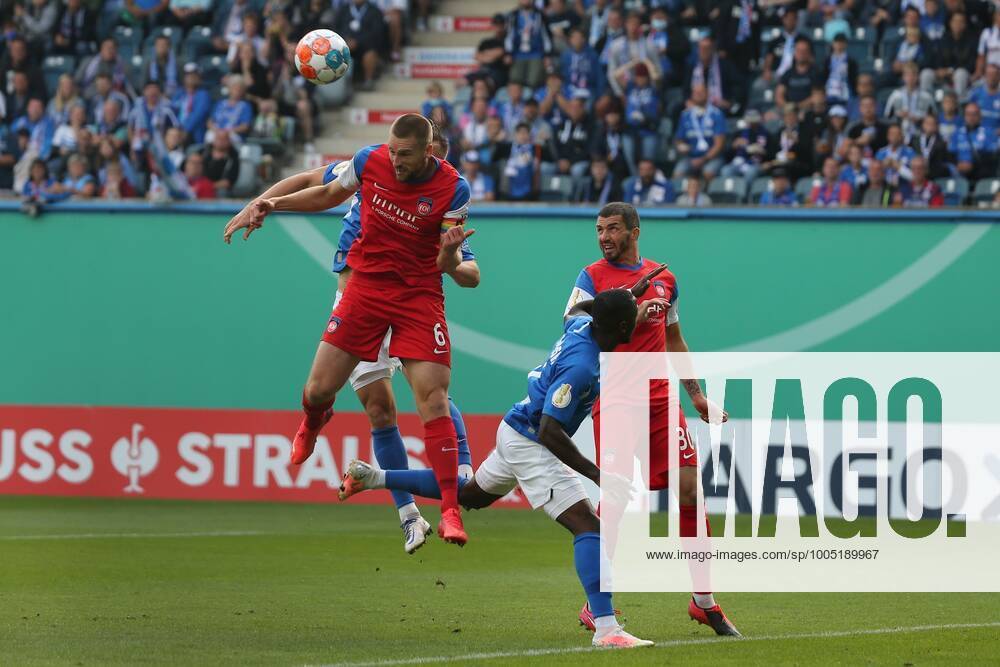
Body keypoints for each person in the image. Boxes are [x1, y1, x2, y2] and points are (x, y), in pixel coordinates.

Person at [339, 285, 656, 649]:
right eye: (631, 317)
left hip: (514, 427)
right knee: (590, 528)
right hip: (532, 442)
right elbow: (550, 431)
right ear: (619, 327)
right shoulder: (582, 367)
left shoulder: (581, 327)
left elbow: (577, 311)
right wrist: (600, 476)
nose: (638, 319)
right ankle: (606, 628)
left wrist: (626, 296)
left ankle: (374, 476)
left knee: (470, 495)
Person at [222, 114, 474, 545]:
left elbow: (461, 270)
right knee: (321, 390)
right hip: (364, 290)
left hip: (418, 297)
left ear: (430, 153)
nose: (394, 160)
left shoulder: (454, 189)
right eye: (391, 150)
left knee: (433, 398)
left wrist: (450, 258)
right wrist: (268, 203)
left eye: (405, 155)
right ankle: (314, 419)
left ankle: (450, 510)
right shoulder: (368, 162)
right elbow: (321, 189)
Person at [562, 202, 740, 638]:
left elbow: (674, 338)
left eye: (613, 229)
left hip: (661, 401)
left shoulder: (665, 280)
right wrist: (623, 312)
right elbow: (572, 328)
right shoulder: (591, 277)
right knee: (616, 500)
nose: (604, 236)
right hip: (615, 399)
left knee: (689, 490)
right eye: (600, 229)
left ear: (634, 231)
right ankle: (595, 605)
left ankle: (704, 602)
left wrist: (696, 395)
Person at [673, 83, 726, 179]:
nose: (698, 94)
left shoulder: (716, 114)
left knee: (708, 173)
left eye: (701, 92)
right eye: (695, 92)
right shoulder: (685, 115)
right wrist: (681, 146)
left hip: (711, 158)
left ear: (707, 94)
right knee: (678, 173)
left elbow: (719, 145)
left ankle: (707, 194)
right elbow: (679, 139)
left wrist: (703, 159)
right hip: (690, 157)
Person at [504, 0, 553, 89]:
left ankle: (533, 101)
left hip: (536, 54)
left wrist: (547, 54)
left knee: (534, 81)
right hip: (518, 54)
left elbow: (546, 36)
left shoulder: (540, 15)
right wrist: (508, 53)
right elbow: (509, 35)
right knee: (516, 80)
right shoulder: (513, 15)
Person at [884, 63, 936, 139]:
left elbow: (934, 118)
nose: (911, 78)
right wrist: (898, 117)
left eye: (914, 75)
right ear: (903, 77)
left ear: (918, 77)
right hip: (900, 135)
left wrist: (920, 120)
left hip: (921, 135)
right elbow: (887, 118)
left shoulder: (927, 97)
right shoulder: (895, 96)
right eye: (908, 75)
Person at [950, 102, 998, 180]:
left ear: (980, 116)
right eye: (968, 114)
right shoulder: (957, 133)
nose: (971, 117)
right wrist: (958, 165)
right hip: (959, 172)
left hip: (980, 173)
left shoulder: (988, 133)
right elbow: (951, 154)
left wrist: (972, 164)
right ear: (964, 116)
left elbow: (992, 156)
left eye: (974, 114)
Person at [910, 114, 950, 180]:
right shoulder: (914, 141)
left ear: (937, 126)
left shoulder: (941, 143)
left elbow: (941, 162)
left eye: (932, 123)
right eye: (927, 123)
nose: (930, 126)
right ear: (923, 125)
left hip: (934, 175)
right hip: (916, 173)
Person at [968, 64, 1000, 133]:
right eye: (989, 75)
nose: (992, 78)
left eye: (995, 74)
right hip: (976, 134)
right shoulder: (976, 94)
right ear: (985, 76)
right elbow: (968, 115)